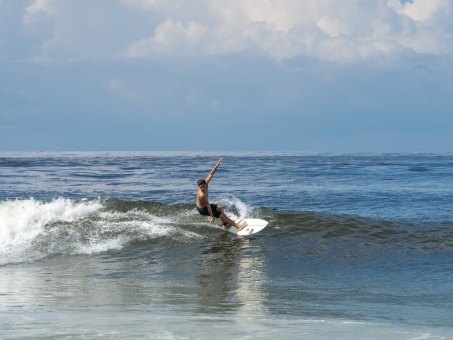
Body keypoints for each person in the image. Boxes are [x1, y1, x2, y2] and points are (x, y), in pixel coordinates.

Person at [196, 158, 247, 231]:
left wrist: (217, 164)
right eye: (201, 187)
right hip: (202, 209)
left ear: (205, 183)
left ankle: (225, 224)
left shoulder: (206, 182)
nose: (203, 188)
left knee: (221, 208)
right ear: (199, 187)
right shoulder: (202, 195)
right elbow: (208, 206)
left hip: (205, 206)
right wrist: (212, 217)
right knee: (222, 215)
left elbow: (211, 173)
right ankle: (238, 226)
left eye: (204, 186)